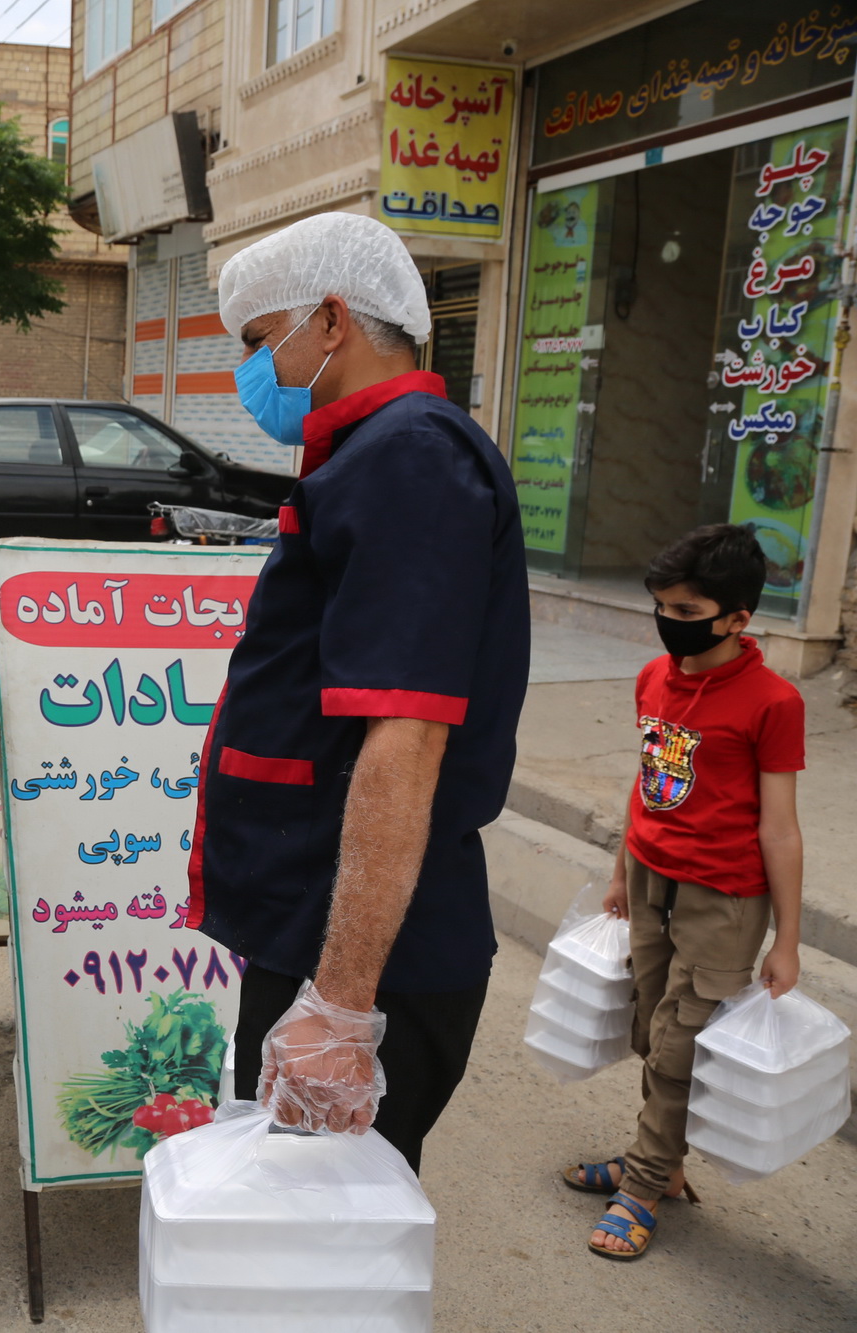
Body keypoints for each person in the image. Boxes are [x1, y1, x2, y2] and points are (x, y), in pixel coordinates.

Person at [185, 211, 530, 1171]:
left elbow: (405, 740)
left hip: (364, 963)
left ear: (331, 321)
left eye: (259, 342)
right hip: (319, 925)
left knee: (319, 1246)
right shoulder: (373, 452)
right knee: (301, 1231)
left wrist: (340, 1005)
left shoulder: (410, 456)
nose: (250, 371)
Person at [562, 524, 805, 1261]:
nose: (670, 620)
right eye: (662, 605)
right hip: (648, 877)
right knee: (647, 1029)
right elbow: (648, 782)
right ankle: (661, 1162)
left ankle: (640, 1183)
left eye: (688, 609)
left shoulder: (774, 702)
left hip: (724, 898)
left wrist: (787, 939)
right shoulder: (653, 678)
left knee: (677, 1049)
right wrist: (619, 870)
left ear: (738, 617)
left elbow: (782, 828)